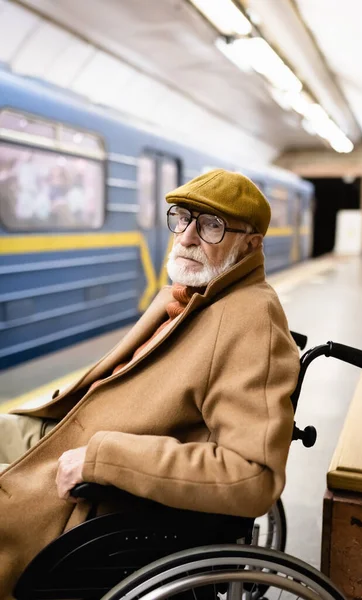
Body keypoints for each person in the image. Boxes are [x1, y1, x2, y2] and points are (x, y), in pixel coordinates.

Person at [0, 168, 300, 598]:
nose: (188, 236)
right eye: (183, 217)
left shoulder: (251, 321)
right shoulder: (187, 297)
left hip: (96, 493)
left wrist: (103, 458)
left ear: (251, 244)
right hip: (66, 429)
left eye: (212, 226)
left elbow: (251, 477)